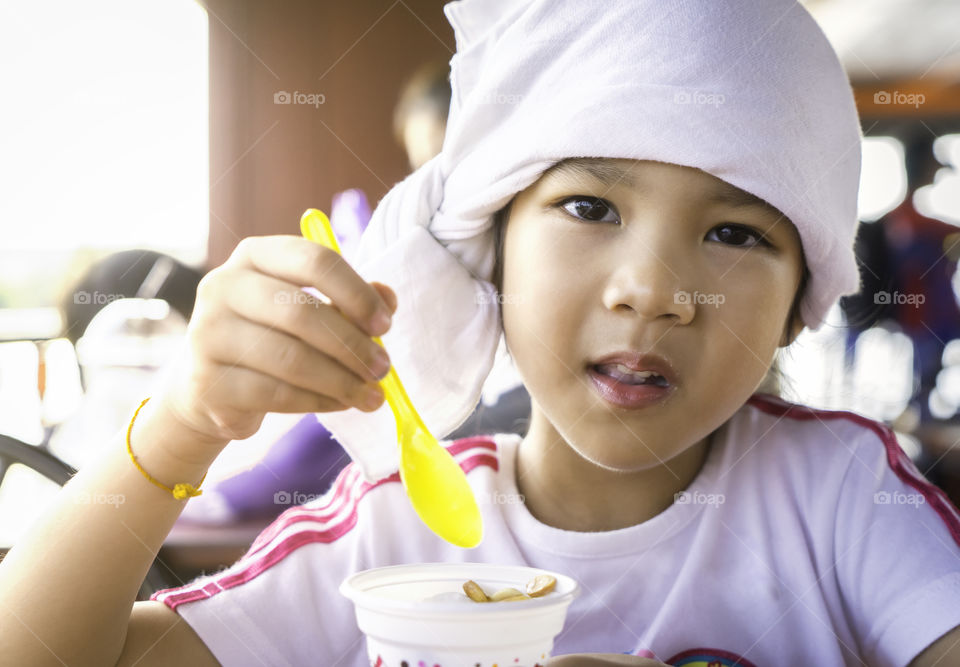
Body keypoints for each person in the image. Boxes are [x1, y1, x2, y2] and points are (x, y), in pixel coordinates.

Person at [2, 2, 960, 667]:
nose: (653, 291)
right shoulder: (392, 528)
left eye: (735, 232)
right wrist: (178, 425)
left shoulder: (842, 497)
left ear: (802, 296)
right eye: (590, 205)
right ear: (491, 252)